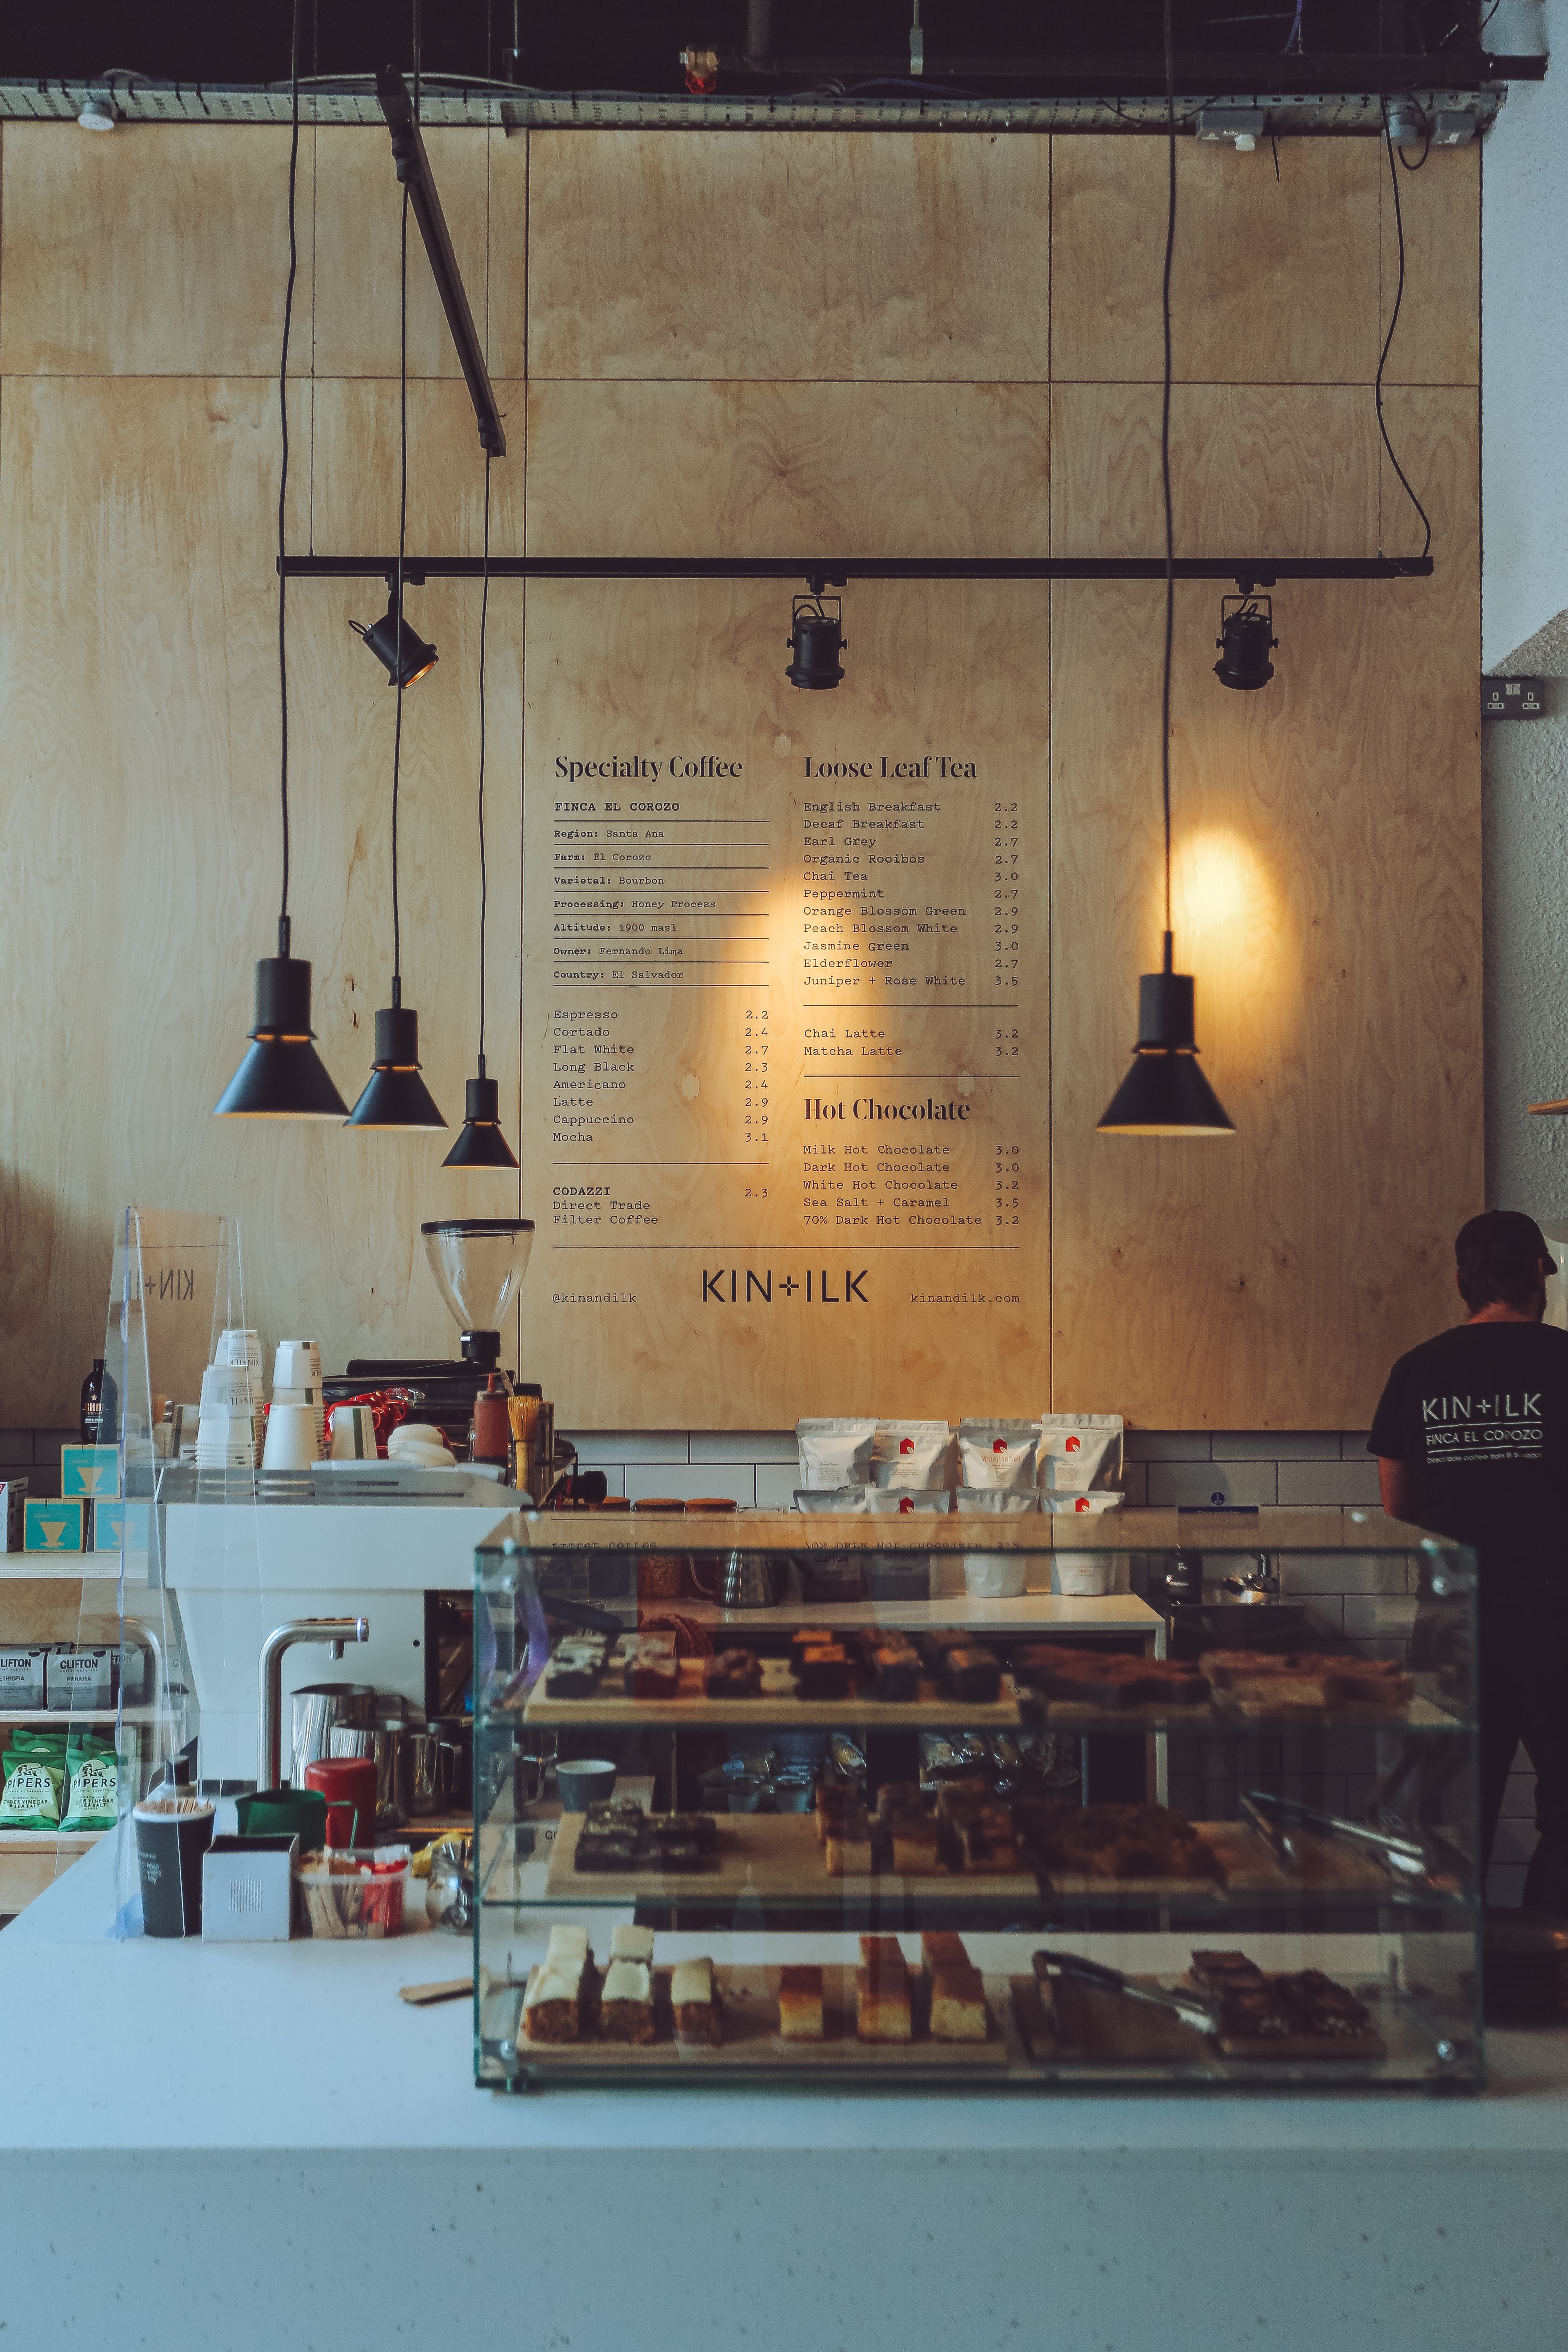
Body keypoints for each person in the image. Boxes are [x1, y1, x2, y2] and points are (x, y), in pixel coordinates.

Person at [1369, 1209, 1568, 1914]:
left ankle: (1456, 1988)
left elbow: (1397, 1503)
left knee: (1449, 1819)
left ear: (1461, 1280)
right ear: (1542, 1273)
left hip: (1454, 1620)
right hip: (1558, 1620)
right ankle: (1550, 1978)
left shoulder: (1419, 1369)